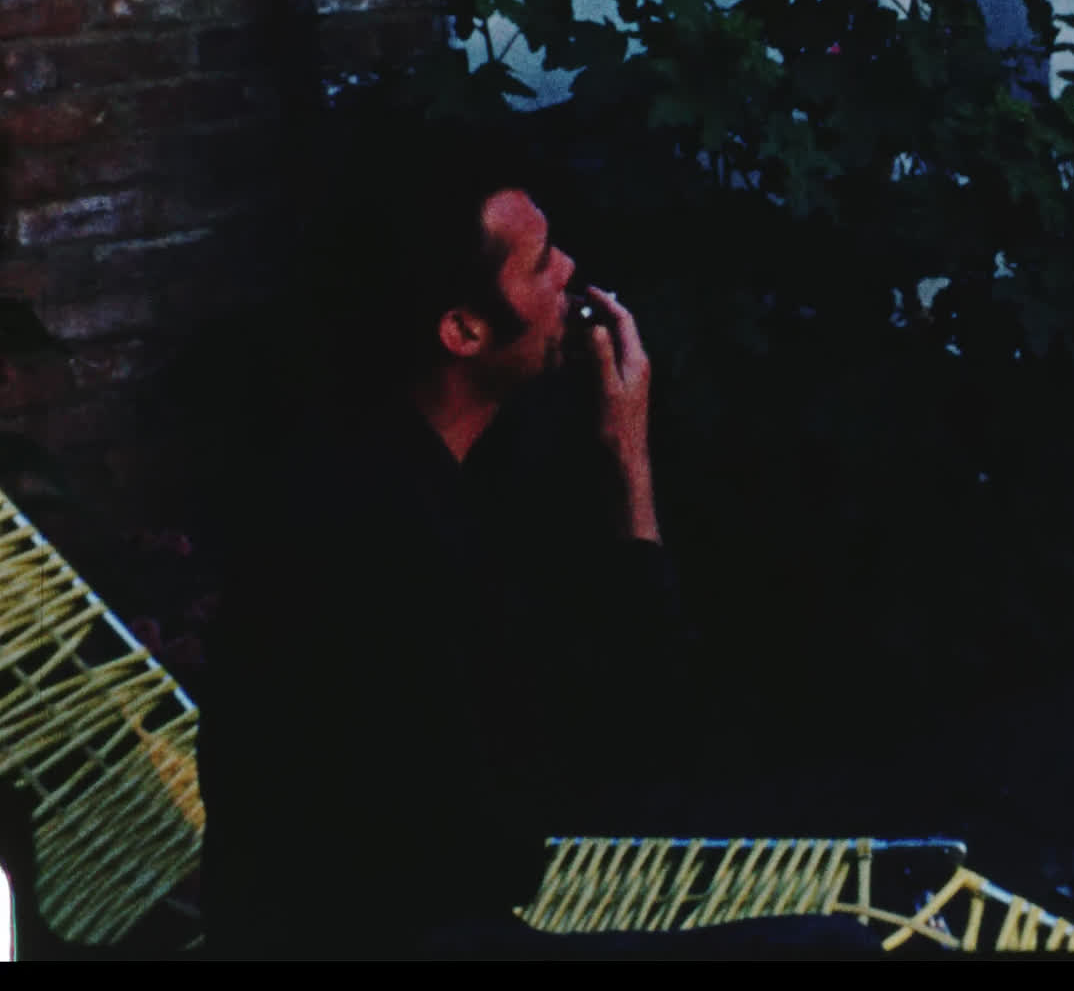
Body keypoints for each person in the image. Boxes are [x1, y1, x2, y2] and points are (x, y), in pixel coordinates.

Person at [198, 133, 870, 958]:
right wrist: (629, 457)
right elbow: (630, 750)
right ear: (464, 329)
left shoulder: (382, 464)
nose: (569, 273)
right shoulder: (385, 536)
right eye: (541, 260)